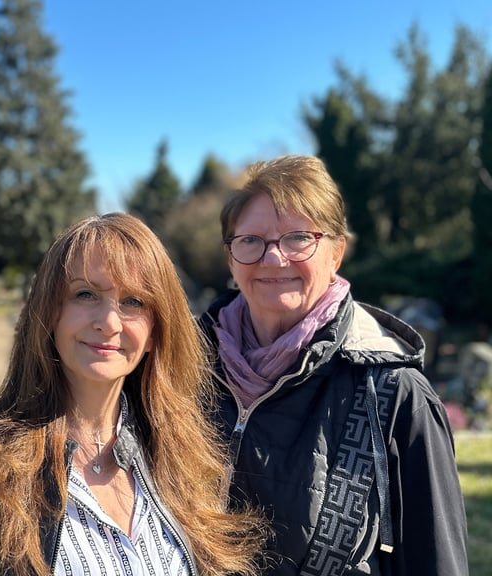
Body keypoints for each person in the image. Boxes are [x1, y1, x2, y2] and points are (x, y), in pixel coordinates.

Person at [0, 212, 266, 576]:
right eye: (86, 294)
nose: (108, 322)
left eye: (133, 301)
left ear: (155, 331)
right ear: (50, 313)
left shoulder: (186, 454)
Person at [198, 154, 468, 575]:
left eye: (297, 238)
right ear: (231, 259)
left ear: (336, 254)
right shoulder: (181, 371)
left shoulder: (395, 394)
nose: (274, 259)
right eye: (251, 241)